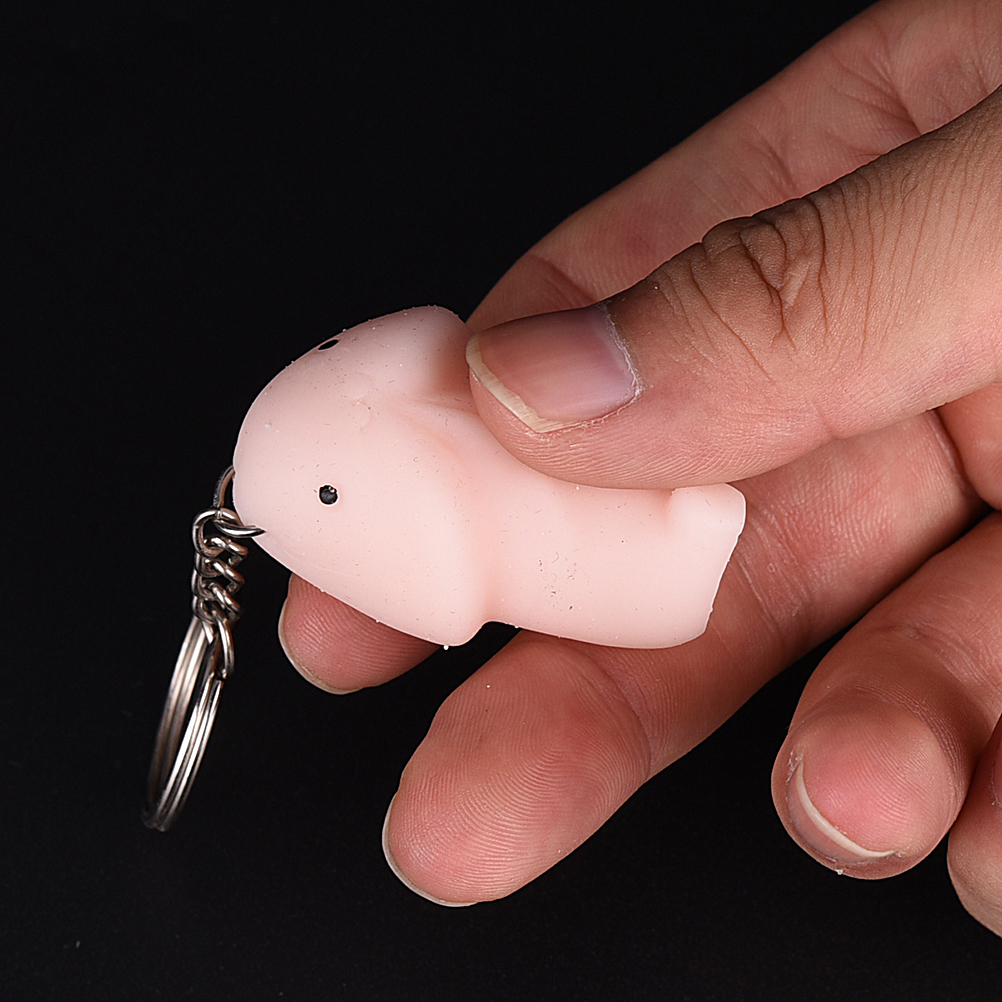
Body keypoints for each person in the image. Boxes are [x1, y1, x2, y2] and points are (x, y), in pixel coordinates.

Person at [278, 0, 1002, 934]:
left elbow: (448, 585)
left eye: (329, 493)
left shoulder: (463, 463)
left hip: (649, 546)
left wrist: (776, 308)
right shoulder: (432, 478)